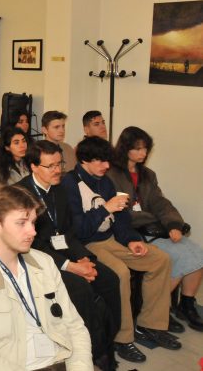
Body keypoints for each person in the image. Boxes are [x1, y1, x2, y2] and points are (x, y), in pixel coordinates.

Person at [62, 136, 179, 359]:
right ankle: (122, 338)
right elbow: (78, 231)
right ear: (85, 160)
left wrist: (132, 240)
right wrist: (105, 208)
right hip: (87, 244)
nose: (106, 166)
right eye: (100, 161)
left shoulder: (105, 181)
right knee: (121, 272)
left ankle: (150, 324)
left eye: (107, 161)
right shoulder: (69, 184)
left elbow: (122, 218)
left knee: (160, 260)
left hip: (111, 239)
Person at [0, 185, 92, 370]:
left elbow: (75, 327)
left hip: (61, 359)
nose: (33, 232)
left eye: (33, 222)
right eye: (21, 223)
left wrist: (80, 367)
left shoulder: (44, 263)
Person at [18, 141, 121, 369]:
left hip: (64, 251)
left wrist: (85, 258)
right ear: (34, 167)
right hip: (34, 258)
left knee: (109, 279)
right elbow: (30, 246)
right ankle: (92, 352)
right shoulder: (21, 195)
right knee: (81, 288)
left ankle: (107, 342)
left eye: (60, 164)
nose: (58, 170)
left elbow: (68, 233)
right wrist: (70, 266)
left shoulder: (60, 188)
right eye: (51, 166)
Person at [109, 126, 203, 331]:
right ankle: (156, 311)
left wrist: (173, 224)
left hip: (154, 227)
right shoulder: (112, 173)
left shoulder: (147, 174)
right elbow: (120, 212)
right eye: (138, 148)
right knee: (177, 256)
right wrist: (149, 219)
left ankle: (186, 304)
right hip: (134, 231)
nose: (143, 153)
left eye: (146, 149)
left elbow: (160, 203)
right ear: (126, 148)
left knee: (197, 252)